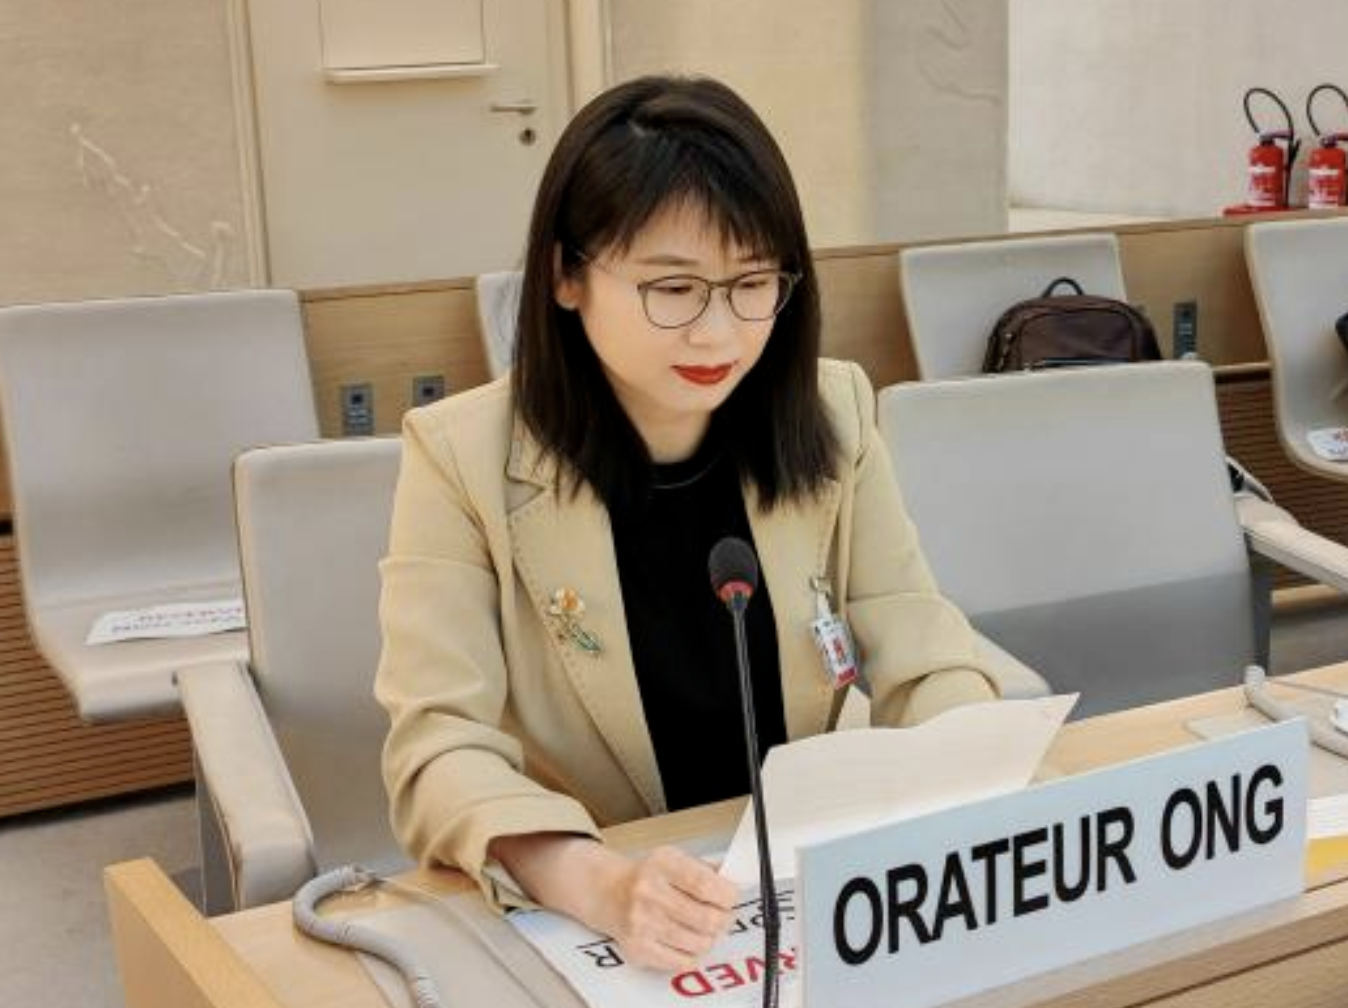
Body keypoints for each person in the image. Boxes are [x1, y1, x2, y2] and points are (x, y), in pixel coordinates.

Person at [375, 74, 998, 973]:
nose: (719, 333)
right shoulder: (458, 456)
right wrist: (600, 883)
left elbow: (922, 648)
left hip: (797, 889)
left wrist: (978, 769)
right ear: (565, 275)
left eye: (753, 283)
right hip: (597, 912)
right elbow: (437, 748)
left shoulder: (832, 409)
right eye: (673, 288)